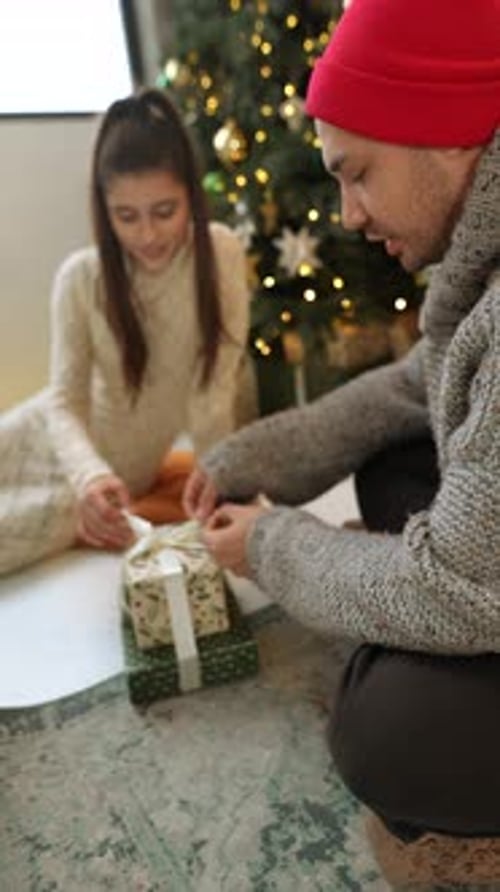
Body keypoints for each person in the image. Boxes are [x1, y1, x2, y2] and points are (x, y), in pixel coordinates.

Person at [183, 0, 500, 849]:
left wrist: (273, 546)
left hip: (475, 586)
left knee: (392, 734)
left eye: (356, 172)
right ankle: (395, 610)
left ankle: (397, 650)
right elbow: (416, 383)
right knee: (398, 455)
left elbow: (460, 590)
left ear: (448, 134)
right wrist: (254, 457)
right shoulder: (482, 254)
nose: (349, 214)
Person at [0, 87, 249, 576]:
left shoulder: (220, 255)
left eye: (164, 211)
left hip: (112, 484)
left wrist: (219, 484)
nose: (147, 235)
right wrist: (88, 473)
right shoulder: (81, 276)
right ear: (104, 209)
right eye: (126, 216)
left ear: (191, 197)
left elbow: (213, 394)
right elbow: (63, 401)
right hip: (53, 443)